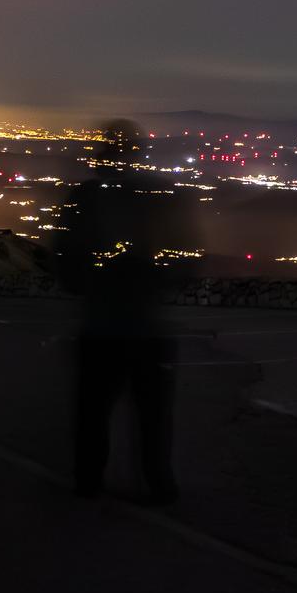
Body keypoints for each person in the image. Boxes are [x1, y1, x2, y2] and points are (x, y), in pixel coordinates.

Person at [57, 119, 182, 505]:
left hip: (101, 330)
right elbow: (182, 261)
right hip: (146, 331)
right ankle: (158, 485)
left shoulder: (84, 200)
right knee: (152, 419)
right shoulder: (155, 197)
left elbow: (65, 264)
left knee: (93, 413)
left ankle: (88, 482)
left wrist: (96, 279)